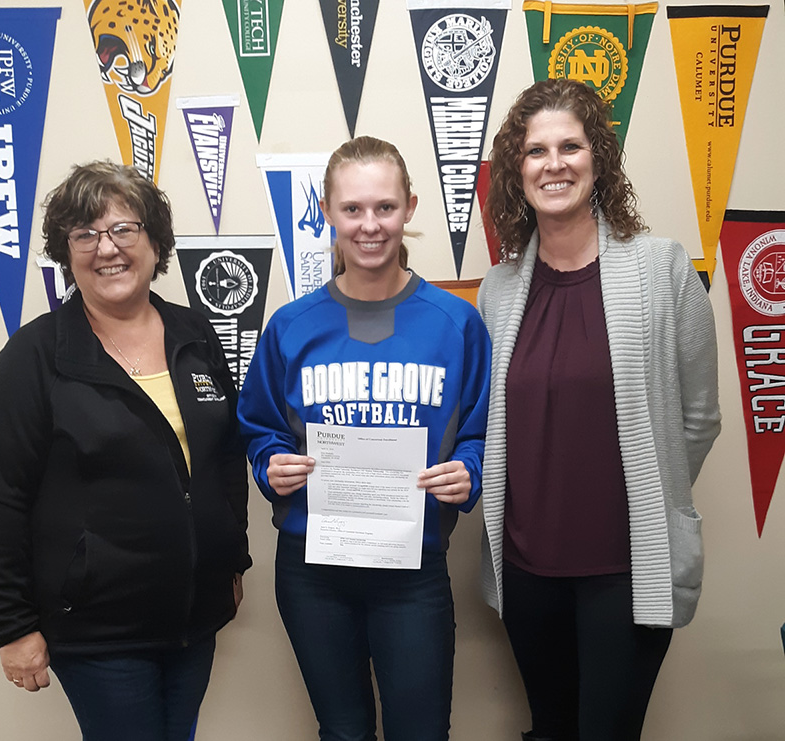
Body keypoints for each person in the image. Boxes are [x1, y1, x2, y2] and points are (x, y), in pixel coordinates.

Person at [478, 78, 721, 741]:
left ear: (598, 158)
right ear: (515, 170)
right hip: (528, 569)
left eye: (570, 145)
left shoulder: (663, 267)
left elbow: (699, 417)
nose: (553, 163)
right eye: (535, 151)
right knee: (551, 728)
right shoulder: (498, 290)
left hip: (627, 567)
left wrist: (654, 491)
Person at [0, 161, 251, 741]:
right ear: (67, 251)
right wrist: (12, 626)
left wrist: (234, 555)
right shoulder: (35, 357)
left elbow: (226, 456)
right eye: (85, 233)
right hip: (98, 630)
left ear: (155, 243)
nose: (106, 248)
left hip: (193, 618)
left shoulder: (194, 335)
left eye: (124, 229)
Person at [237, 136, 490, 741]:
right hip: (313, 570)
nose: (370, 225)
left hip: (412, 566)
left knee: (421, 732)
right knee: (343, 732)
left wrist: (469, 472)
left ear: (411, 207)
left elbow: (482, 430)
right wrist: (270, 464)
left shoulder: (456, 323)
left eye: (385, 207)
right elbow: (259, 426)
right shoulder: (291, 326)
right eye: (352, 209)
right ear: (327, 211)